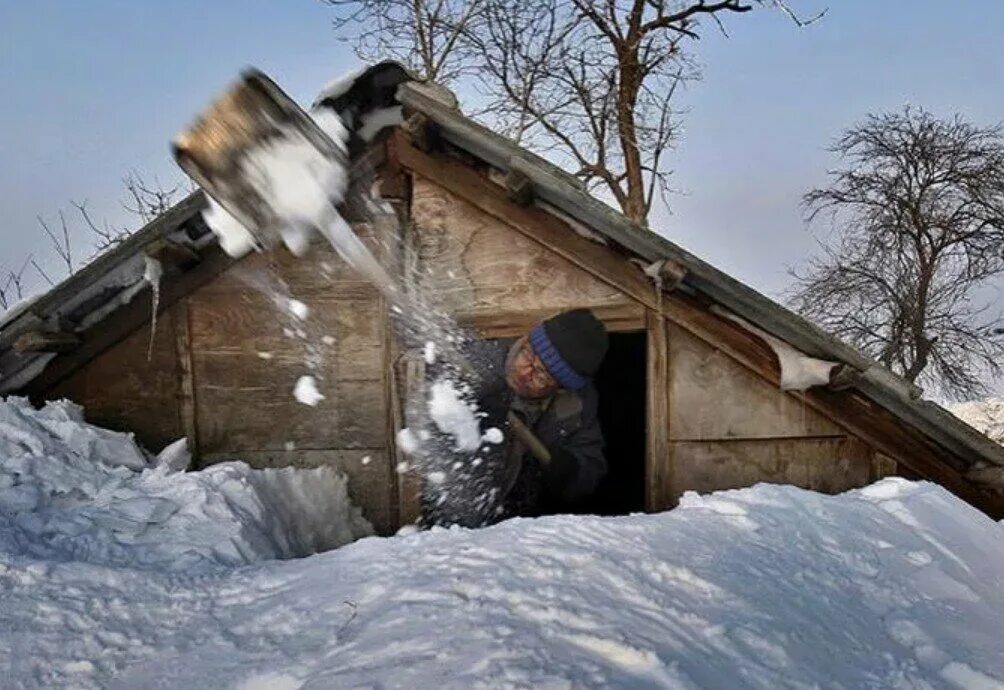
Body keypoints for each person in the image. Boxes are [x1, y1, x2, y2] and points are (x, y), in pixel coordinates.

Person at [483, 308, 610, 518]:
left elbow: (590, 467)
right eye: (527, 354)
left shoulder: (576, 406)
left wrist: (571, 470)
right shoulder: (483, 357)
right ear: (525, 339)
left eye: (541, 376)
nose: (524, 372)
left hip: (517, 521)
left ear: (560, 387)